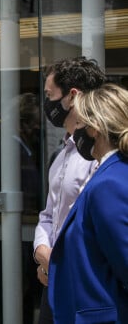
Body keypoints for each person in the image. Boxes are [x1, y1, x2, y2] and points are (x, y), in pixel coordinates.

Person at [33, 56, 106, 323]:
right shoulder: (60, 155)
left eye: (50, 95)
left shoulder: (101, 156)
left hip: (83, 283)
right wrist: (42, 251)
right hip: (53, 281)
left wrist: (57, 262)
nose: (46, 104)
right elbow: (49, 214)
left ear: (72, 96)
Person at [49, 83, 128, 323]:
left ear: (94, 128)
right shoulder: (112, 173)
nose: (75, 133)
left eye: (79, 123)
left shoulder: (108, 184)